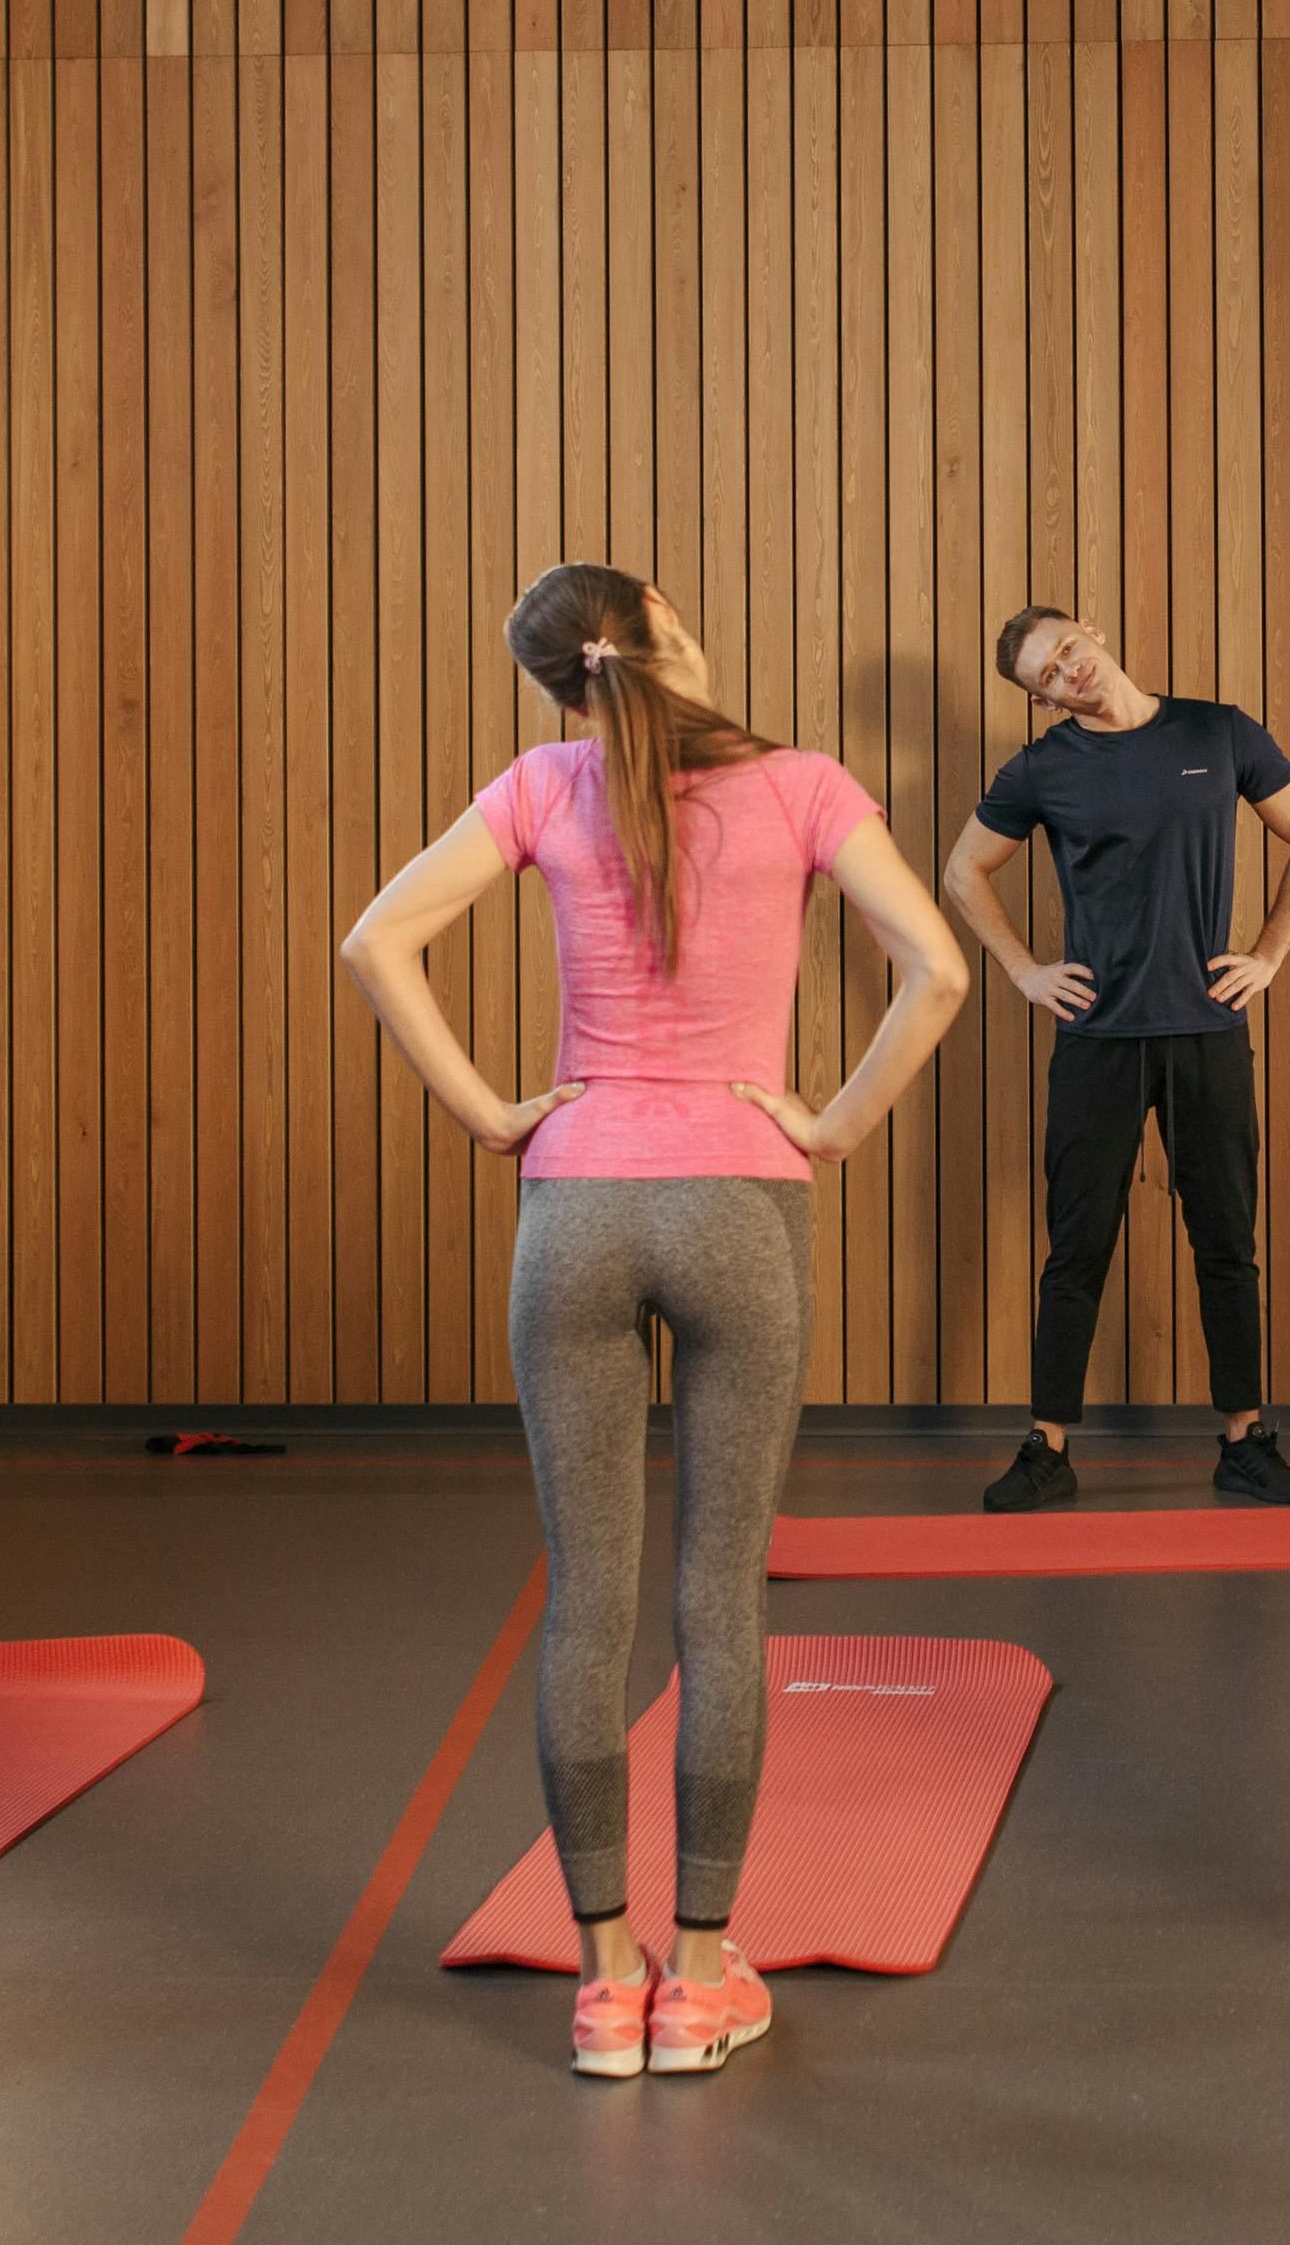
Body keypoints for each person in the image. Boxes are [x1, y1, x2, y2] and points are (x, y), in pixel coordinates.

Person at [338, 562, 968, 2080]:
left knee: (585, 1603)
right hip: (739, 1199)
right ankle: (696, 1980)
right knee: (719, 1600)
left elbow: (374, 942)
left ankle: (602, 1977)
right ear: (670, 620)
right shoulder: (804, 785)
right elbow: (938, 972)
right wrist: (832, 1125)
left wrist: (490, 1109)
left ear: (559, 684)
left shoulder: (541, 784)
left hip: (574, 1205)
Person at [942, 606, 1290, 1512]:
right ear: (1042, 699)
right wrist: (1024, 970)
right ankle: (1047, 1449)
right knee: (1076, 1247)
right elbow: (963, 870)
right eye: (1048, 675)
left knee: (1226, 1241)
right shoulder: (1042, 768)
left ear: (1092, 632)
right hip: (1097, 1039)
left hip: (1207, 1030)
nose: (1068, 671)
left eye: (1067, 650)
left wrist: (1269, 953)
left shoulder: (1217, 730)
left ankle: (1244, 1440)